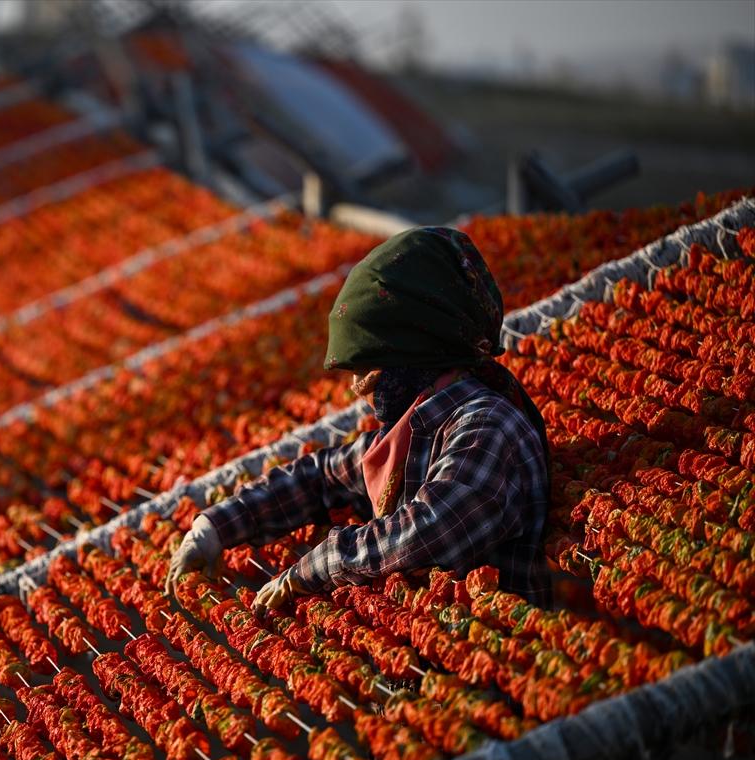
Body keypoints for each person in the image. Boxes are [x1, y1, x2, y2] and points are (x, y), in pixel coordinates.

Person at [165, 226, 551, 615]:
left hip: (490, 661)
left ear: (412, 353)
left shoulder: (487, 426)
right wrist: (215, 528)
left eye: (365, 370)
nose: (355, 388)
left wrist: (317, 565)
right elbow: (320, 476)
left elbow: (428, 532)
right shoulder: (415, 424)